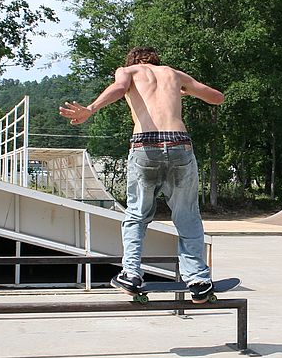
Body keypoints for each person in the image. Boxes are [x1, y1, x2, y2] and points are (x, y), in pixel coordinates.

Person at [59, 46, 225, 302]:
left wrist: (91, 108)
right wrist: (186, 92)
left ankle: (132, 274)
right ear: (157, 61)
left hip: (145, 145)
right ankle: (199, 280)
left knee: (137, 213)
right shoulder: (173, 74)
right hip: (179, 143)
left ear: (133, 60)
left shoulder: (127, 71)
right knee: (187, 215)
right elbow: (217, 97)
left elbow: (118, 88)